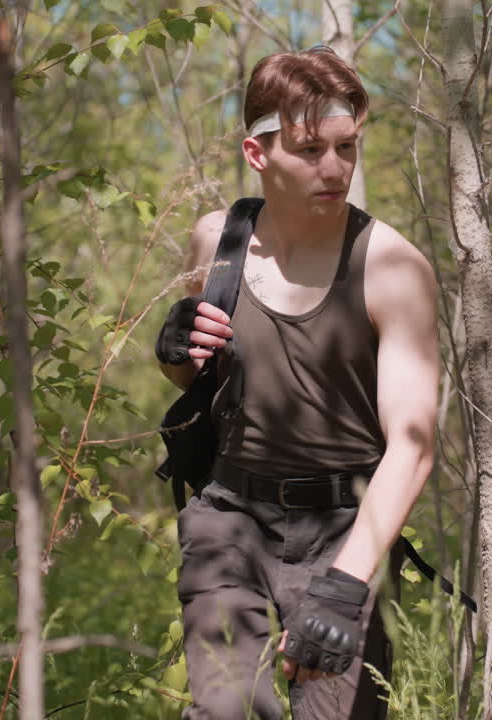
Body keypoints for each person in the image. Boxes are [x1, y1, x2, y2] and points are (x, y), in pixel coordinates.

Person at [156, 45, 439, 720]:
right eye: (312, 149)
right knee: (225, 713)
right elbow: (193, 379)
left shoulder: (393, 267)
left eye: (348, 146)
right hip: (230, 520)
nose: (335, 167)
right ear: (258, 154)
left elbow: (414, 444)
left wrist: (346, 584)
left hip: (347, 527)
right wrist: (172, 350)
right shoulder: (215, 242)